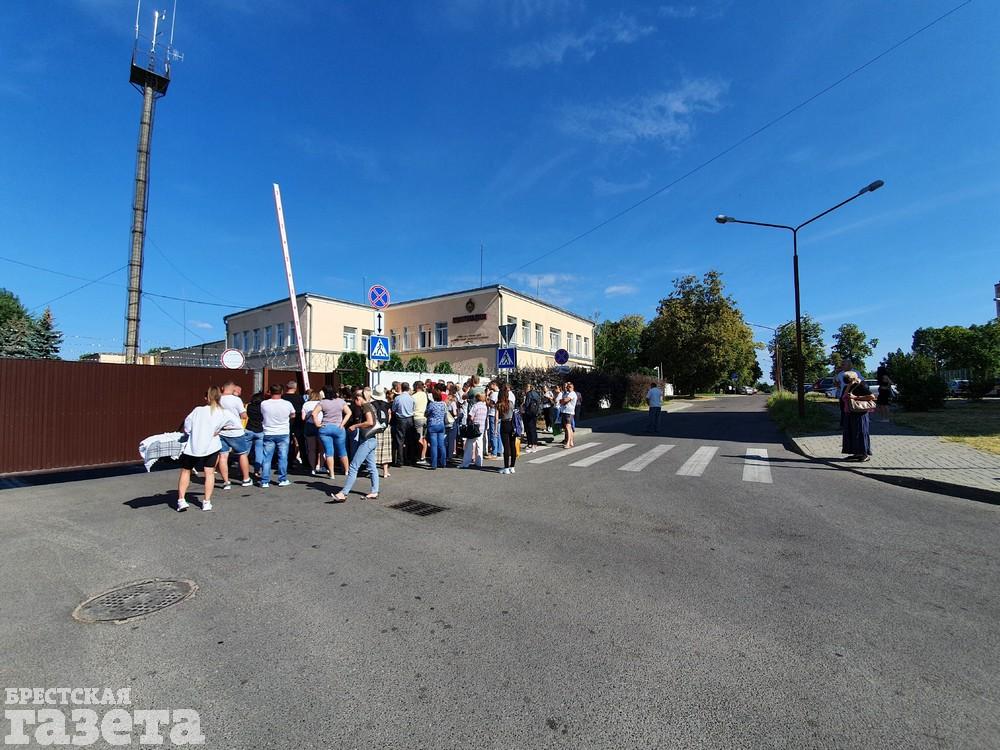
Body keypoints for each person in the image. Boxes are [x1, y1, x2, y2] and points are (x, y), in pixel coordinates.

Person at [176, 386, 241, 512]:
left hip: (194, 446)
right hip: (212, 446)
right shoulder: (223, 412)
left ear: (207, 397)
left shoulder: (197, 410)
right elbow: (237, 424)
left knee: (186, 471)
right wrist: (220, 429)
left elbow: (187, 427)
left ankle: (181, 500)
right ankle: (206, 502)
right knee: (209, 472)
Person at [329, 390, 380, 501]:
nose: (354, 404)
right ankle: (374, 491)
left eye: (354, 401)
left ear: (358, 399)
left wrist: (355, 426)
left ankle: (344, 493)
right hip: (371, 439)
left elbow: (370, 422)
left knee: (353, 466)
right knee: (372, 467)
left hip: (366, 440)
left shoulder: (365, 406)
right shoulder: (370, 405)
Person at [218, 381, 253, 489]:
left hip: (221, 430)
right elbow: (243, 415)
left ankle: (226, 482)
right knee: (242, 454)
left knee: (223, 456)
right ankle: (246, 479)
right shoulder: (236, 400)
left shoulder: (217, 399)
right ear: (233, 389)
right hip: (235, 431)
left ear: (222, 388)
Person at [260, 384, 296, 487]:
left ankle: (265, 481)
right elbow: (293, 414)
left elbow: (262, 414)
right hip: (283, 431)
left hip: (268, 432)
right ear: (282, 392)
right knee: (283, 457)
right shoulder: (287, 404)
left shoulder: (264, 403)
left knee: (267, 457)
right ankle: (282, 479)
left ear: (270, 392)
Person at [314, 386, 351, 478]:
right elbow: (349, 413)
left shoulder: (322, 402)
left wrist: (317, 424)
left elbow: (314, 413)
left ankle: (331, 473)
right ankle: (347, 470)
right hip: (338, 427)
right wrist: (342, 424)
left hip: (325, 427)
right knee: (342, 450)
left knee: (329, 451)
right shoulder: (341, 401)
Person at [841, 371, 875, 462]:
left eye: (847, 377)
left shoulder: (860, 386)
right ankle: (856, 453)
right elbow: (844, 398)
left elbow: (872, 397)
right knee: (852, 433)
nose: (845, 379)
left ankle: (864, 454)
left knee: (860, 432)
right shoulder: (847, 386)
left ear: (852, 377)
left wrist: (855, 397)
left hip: (860, 413)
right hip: (849, 413)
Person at [282, 380, 307, 470]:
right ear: (295, 388)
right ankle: (305, 461)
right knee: (301, 441)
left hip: (286, 421)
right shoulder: (299, 398)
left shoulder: (283, 397)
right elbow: (303, 409)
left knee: (287, 442)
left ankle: (289, 460)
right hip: (298, 421)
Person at [371, 385, 394, 479]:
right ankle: (385, 471)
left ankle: (373, 470)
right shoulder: (387, 404)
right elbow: (389, 416)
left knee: (374, 449)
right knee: (386, 449)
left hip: (375, 427)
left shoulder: (371, 404)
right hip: (385, 427)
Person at [461, 392, 488, 468]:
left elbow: (471, 416)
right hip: (481, 427)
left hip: (474, 428)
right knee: (479, 445)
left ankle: (466, 463)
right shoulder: (485, 407)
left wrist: (469, 421)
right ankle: (479, 462)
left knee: (469, 445)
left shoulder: (475, 406)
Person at [301, 388, 324, 475]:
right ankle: (320, 465)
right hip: (320, 425)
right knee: (322, 448)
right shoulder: (321, 403)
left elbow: (303, 418)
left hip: (309, 425)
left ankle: (312, 468)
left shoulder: (306, 404)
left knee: (311, 449)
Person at [244, 391, 266, 478]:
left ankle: (242, 469)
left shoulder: (249, 406)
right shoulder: (262, 408)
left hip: (249, 428)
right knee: (259, 451)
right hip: (259, 430)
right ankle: (257, 470)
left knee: (245, 452)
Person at [392, 382, 414, 467]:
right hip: (410, 419)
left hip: (401, 419)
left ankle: (400, 460)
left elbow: (394, 409)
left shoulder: (398, 398)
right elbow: (413, 408)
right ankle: (409, 458)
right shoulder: (411, 398)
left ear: (401, 388)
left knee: (400, 440)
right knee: (409, 440)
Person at [425, 388, 448, 469]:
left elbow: (427, 413)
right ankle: (443, 462)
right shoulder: (443, 404)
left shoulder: (432, 404)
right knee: (441, 445)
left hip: (433, 425)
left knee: (434, 445)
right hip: (441, 424)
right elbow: (445, 414)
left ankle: (434, 464)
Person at [497, 383, 518, 474]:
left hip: (504, 423)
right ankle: (512, 466)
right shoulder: (511, 403)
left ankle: (506, 467)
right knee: (513, 445)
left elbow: (498, 416)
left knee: (506, 446)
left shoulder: (500, 404)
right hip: (511, 424)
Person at [412, 381, 430, 465]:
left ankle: (419, 456)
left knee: (418, 438)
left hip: (417, 417)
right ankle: (423, 455)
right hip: (424, 417)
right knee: (424, 438)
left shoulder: (413, 396)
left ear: (416, 387)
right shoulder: (425, 395)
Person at [521, 382, 541, 452]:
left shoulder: (529, 394)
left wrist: (522, 406)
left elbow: (527, 404)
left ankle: (532, 444)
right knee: (533, 429)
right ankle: (533, 444)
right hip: (534, 413)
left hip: (529, 413)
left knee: (529, 429)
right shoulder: (536, 393)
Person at [559, 381, 577, 449]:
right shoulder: (567, 393)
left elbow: (565, 400)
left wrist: (563, 400)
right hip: (565, 411)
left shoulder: (572, 393)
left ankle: (568, 443)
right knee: (568, 428)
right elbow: (561, 401)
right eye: (568, 387)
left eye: (570, 387)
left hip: (569, 412)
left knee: (568, 427)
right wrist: (563, 401)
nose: (568, 388)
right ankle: (571, 441)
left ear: (573, 387)